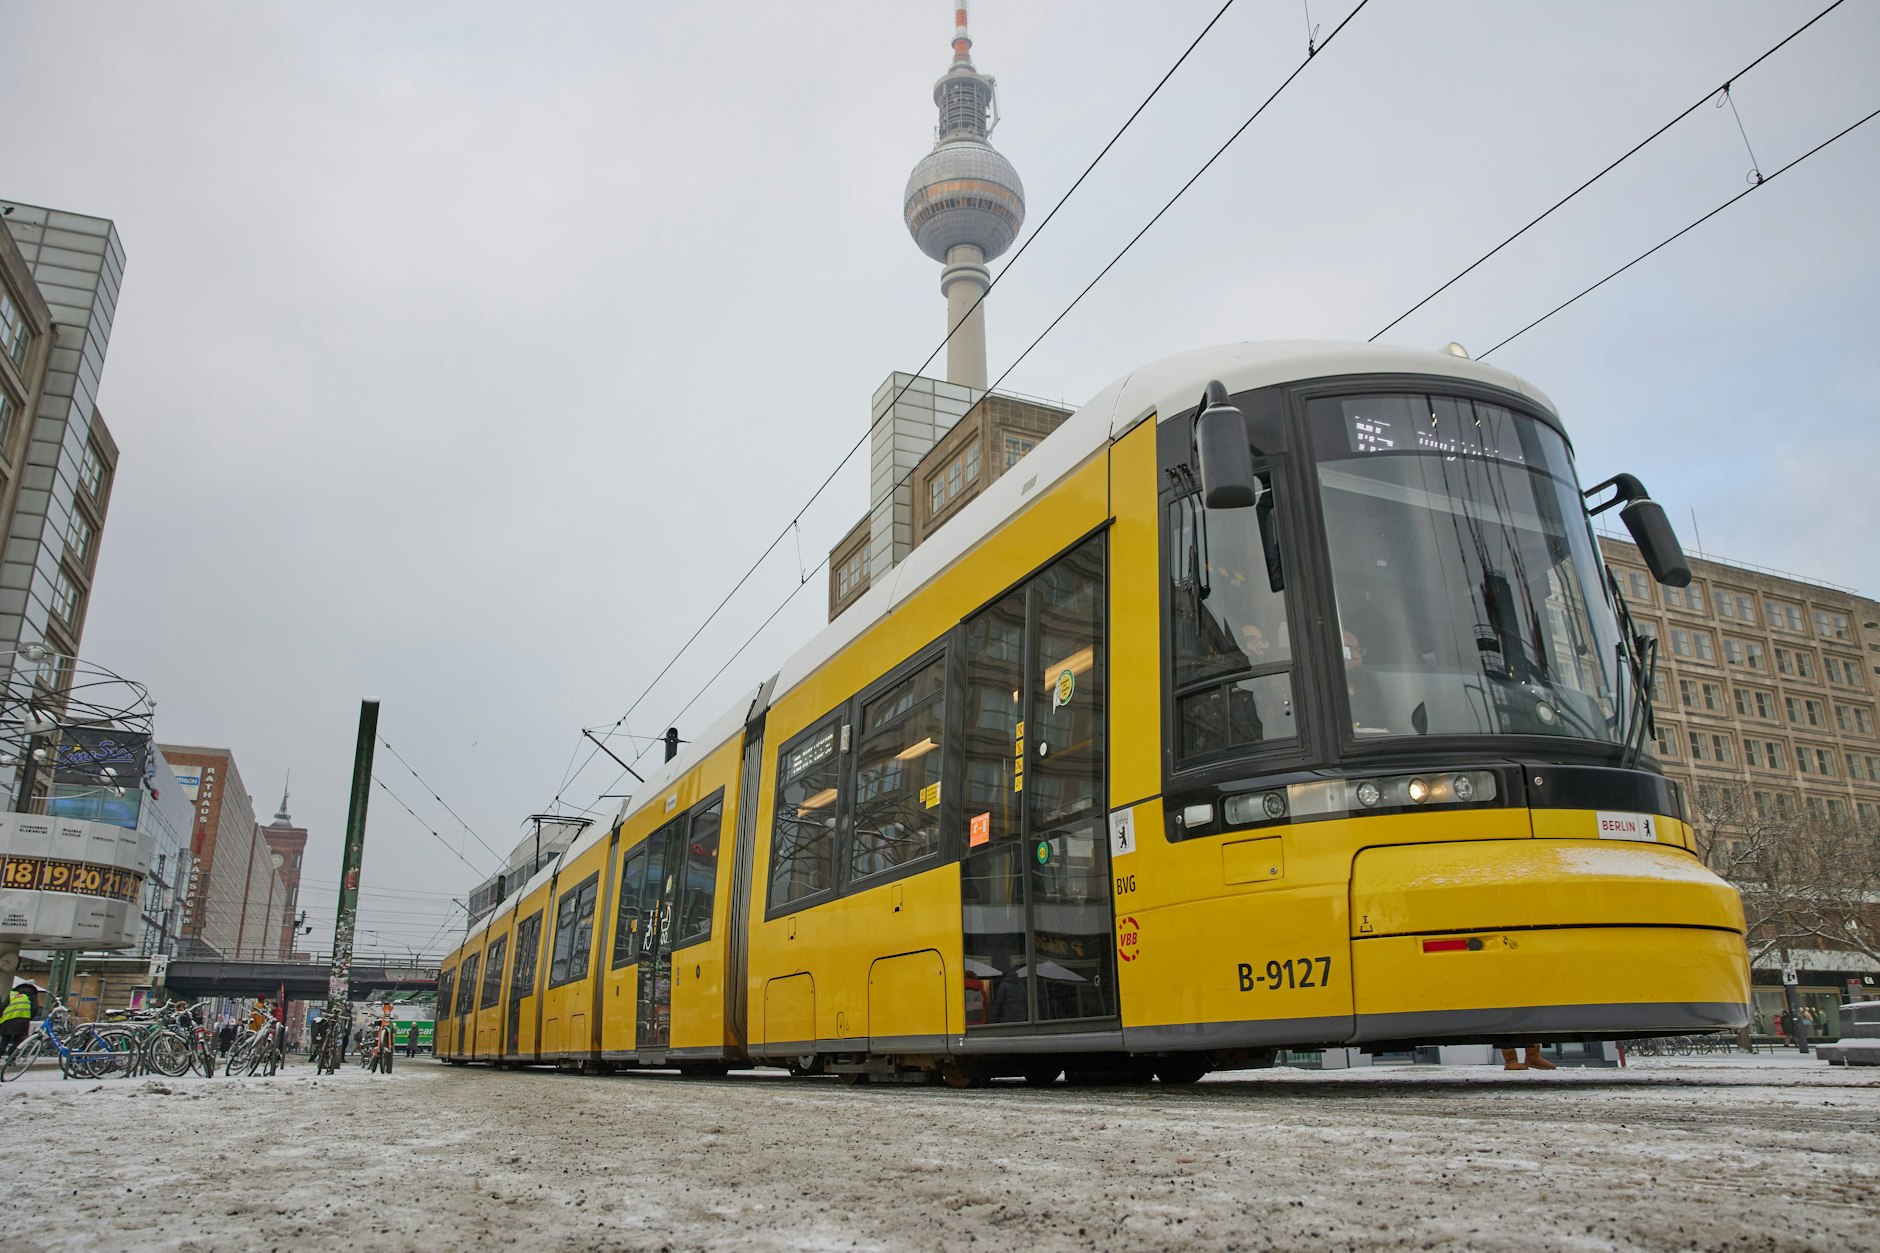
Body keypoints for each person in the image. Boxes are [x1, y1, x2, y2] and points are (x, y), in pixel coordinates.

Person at [1, 979, 39, 1059]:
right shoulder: (32, 995)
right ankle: (11, 1059)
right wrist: (28, 1018)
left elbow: (4, 1006)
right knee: (17, 1040)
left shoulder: (13, 994)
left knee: (5, 1039)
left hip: (8, 1019)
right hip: (23, 1021)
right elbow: (34, 1009)